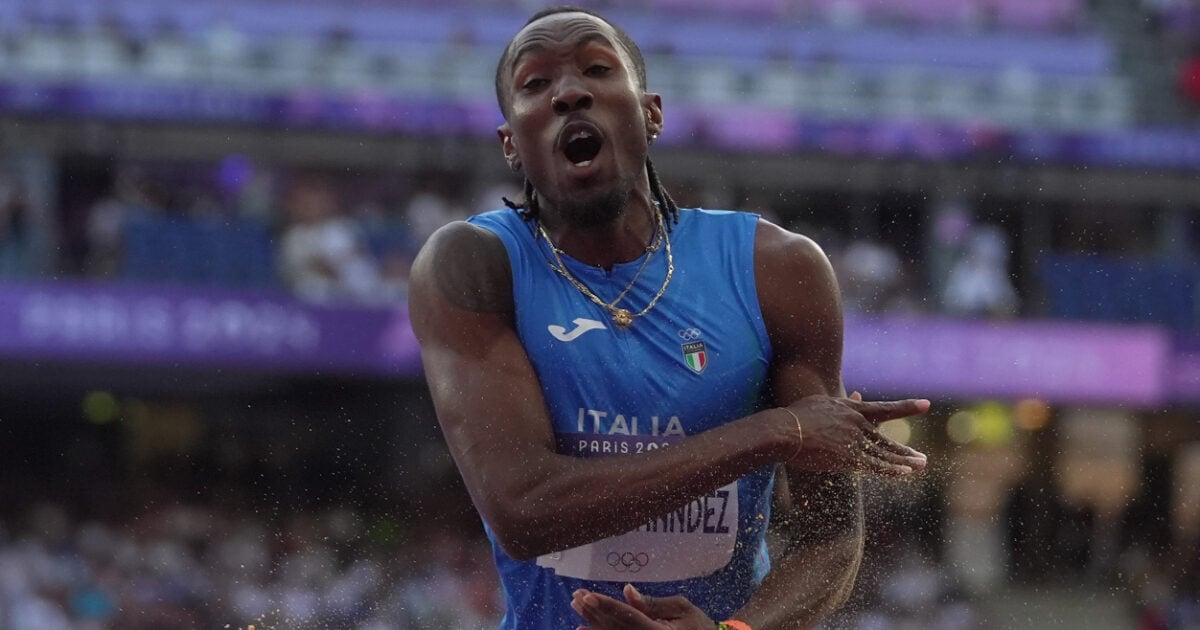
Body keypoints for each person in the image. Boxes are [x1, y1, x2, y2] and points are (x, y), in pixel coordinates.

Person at [407, 6, 930, 629]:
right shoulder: (471, 265)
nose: (569, 92)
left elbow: (831, 536)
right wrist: (774, 432)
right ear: (510, 143)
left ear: (651, 113)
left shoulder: (777, 269)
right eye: (535, 83)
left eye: (597, 69)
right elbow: (525, 512)